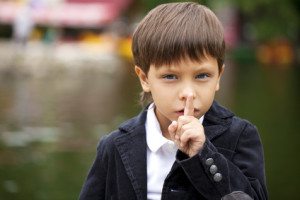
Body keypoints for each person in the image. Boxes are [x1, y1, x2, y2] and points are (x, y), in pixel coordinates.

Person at [79, 2, 268, 200]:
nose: (188, 93)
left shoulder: (240, 136)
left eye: (202, 75)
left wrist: (204, 154)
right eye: (170, 77)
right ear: (144, 79)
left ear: (218, 77)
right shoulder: (115, 145)